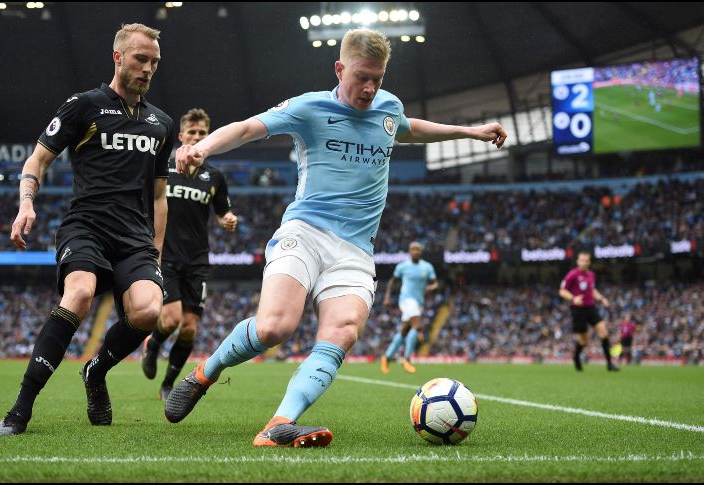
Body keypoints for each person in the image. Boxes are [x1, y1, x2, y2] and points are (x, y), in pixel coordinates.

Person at [164, 28, 506, 447]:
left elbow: (407, 128)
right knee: (274, 328)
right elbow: (247, 128)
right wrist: (203, 149)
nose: (370, 88)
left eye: (377, 78)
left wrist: (470, 132)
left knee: (342, 332)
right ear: (340, 69)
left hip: (356, 251)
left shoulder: (388, 107)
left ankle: (277, 425)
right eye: (362, 77)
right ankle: (204, 373)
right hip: (305, 233)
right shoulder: (309, 108)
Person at [0, 23, 173, 436]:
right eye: (140, 59)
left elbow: (160, 197)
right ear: (118, 57)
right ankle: (20, 410)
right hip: (86, 227)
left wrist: (157, 251)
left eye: (154, 62)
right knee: (79, 295)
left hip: (134, 238)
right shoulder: (84, 105)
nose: (148, 68)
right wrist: (26, 203)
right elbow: (37, 160)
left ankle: (96, 370)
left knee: (148, 311)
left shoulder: (161, 124)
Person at [141, 108, 238, 400]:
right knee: (171, 320)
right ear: (181, 136)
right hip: (167, 256)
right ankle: (153, 344)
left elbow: (222, 212)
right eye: (192, 132)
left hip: (197, 259)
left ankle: (168, 383)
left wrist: (228, 219)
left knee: (189, 329)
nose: (197, 137)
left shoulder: (215, 176)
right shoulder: (164, 169)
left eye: (202, 133)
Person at [381, 241, 437, 374]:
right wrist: (387, 297)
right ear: (409, 251)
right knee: (415, 327)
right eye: (413, 249)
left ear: (421, 252)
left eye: (418, 249)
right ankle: (407, 359)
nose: (415, 252)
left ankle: (386, 357)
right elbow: (392, 281)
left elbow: (435, 283)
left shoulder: (427, 267)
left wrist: (430, 287)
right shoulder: (403, 266)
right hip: (406, 300)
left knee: (405, 331)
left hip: (419, 302)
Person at [559, 252, 619, 372]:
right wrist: (573, 298)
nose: (584, 263)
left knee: (603, 332)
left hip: (591, 308)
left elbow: (592, 290)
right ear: (578, 261)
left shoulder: (591, 275)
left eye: (586, 260)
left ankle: (609, 363)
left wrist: (602, 299)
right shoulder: (572, 274)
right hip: (578, 310)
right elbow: (562, 291)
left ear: (589, 262)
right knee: (583, 340)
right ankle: (576, 357)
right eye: (582, 260)